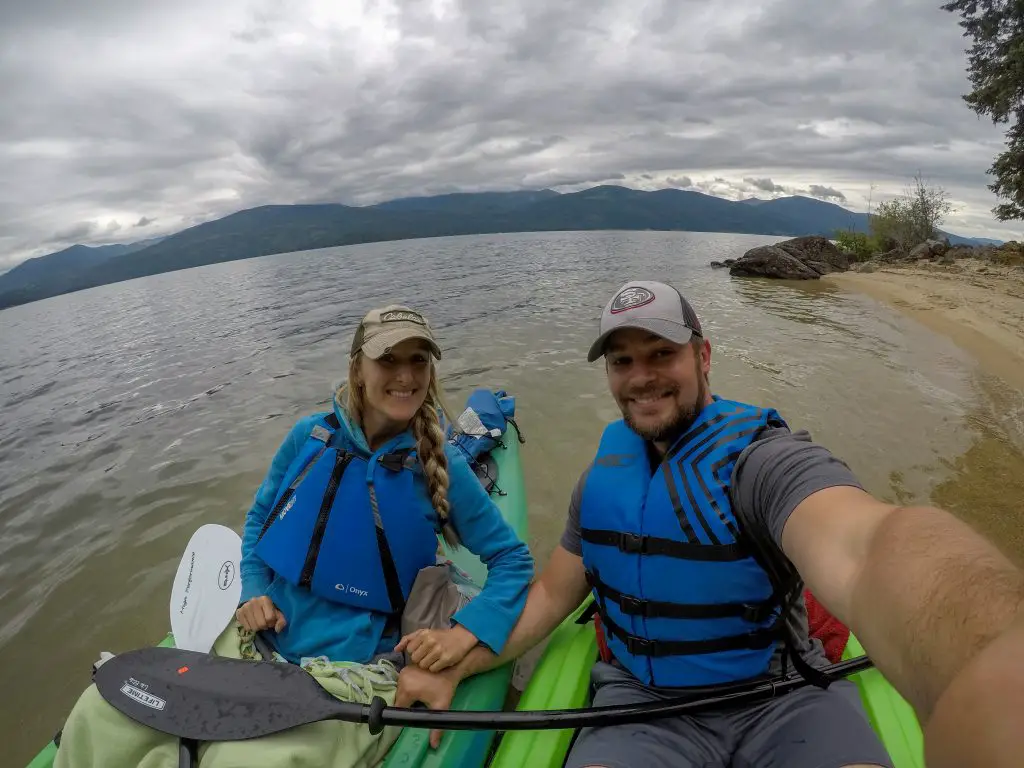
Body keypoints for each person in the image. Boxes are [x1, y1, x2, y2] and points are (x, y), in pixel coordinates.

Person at [396, 281, 1024, 768]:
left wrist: (986, 662)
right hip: (639, 708)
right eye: (622, 361)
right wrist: (459, 659)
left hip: (783, 698)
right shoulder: (600, 482)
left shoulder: (762, 460)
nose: (641, 377)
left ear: (703, 355)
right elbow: (551, 596)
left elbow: (867, 547)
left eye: (662, 354)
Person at [54, 303, 534, 768]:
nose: (406, 376)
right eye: (388, 359)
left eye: (418, 361)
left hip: (351, 671)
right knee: (98, 714)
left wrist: (465, 636)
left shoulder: (441, 465)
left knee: (240, 761)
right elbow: (260, 522)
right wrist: (254, 591)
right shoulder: (309, 437)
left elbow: (513, 560)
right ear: (357, 368)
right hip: (250, 645)